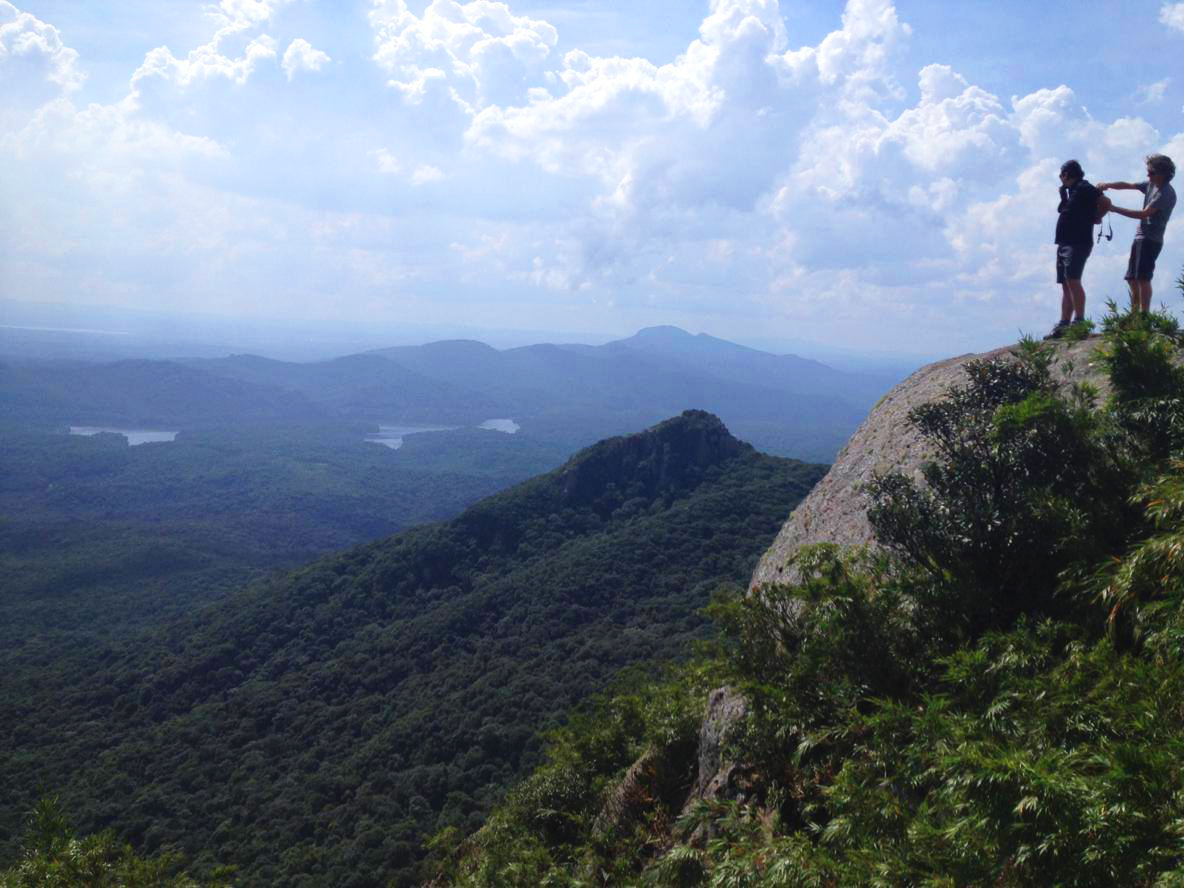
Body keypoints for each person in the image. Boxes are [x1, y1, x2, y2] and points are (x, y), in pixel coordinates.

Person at [1098, 154, 1176, 312]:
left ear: (1162, 173)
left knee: (1143, 278)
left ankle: (1144, 315)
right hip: (1141, 237)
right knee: (1132, 278)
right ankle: (1134, 315)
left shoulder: (1165, 193)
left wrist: (1113, 209)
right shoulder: (1151, 184)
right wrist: (1108, 185)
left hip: (1151, 239)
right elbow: (1129, 185)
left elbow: (1143, 214)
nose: (1148, 175)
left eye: (1151, 172)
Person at [1046, 159, 1101, 339]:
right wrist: (1063, 196)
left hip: (1078, 241)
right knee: (1065, 282)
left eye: (1061, 175)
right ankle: (1064, 323)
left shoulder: (1084, 187)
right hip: (1065, 242)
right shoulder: (1072, 191)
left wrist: (1097, 217)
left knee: (1073, 280)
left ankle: (1079, 321)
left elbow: (1105, 201)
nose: (1060, 179)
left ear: (1066, 174)